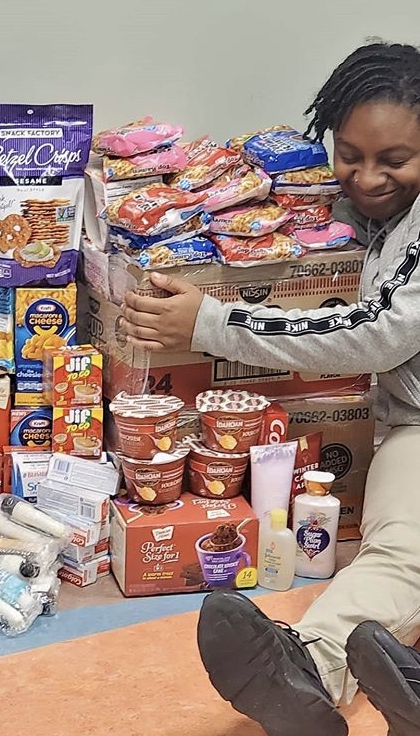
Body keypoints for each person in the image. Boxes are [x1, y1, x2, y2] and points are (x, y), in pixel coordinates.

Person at [121, 41, 420, 736]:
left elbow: (379, 333)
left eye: (394, 160)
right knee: (401, 552)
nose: (366, 176)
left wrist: (211, 320)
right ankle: (309, 672)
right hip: (412, 428)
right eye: (350, 153)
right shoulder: (378, 214)